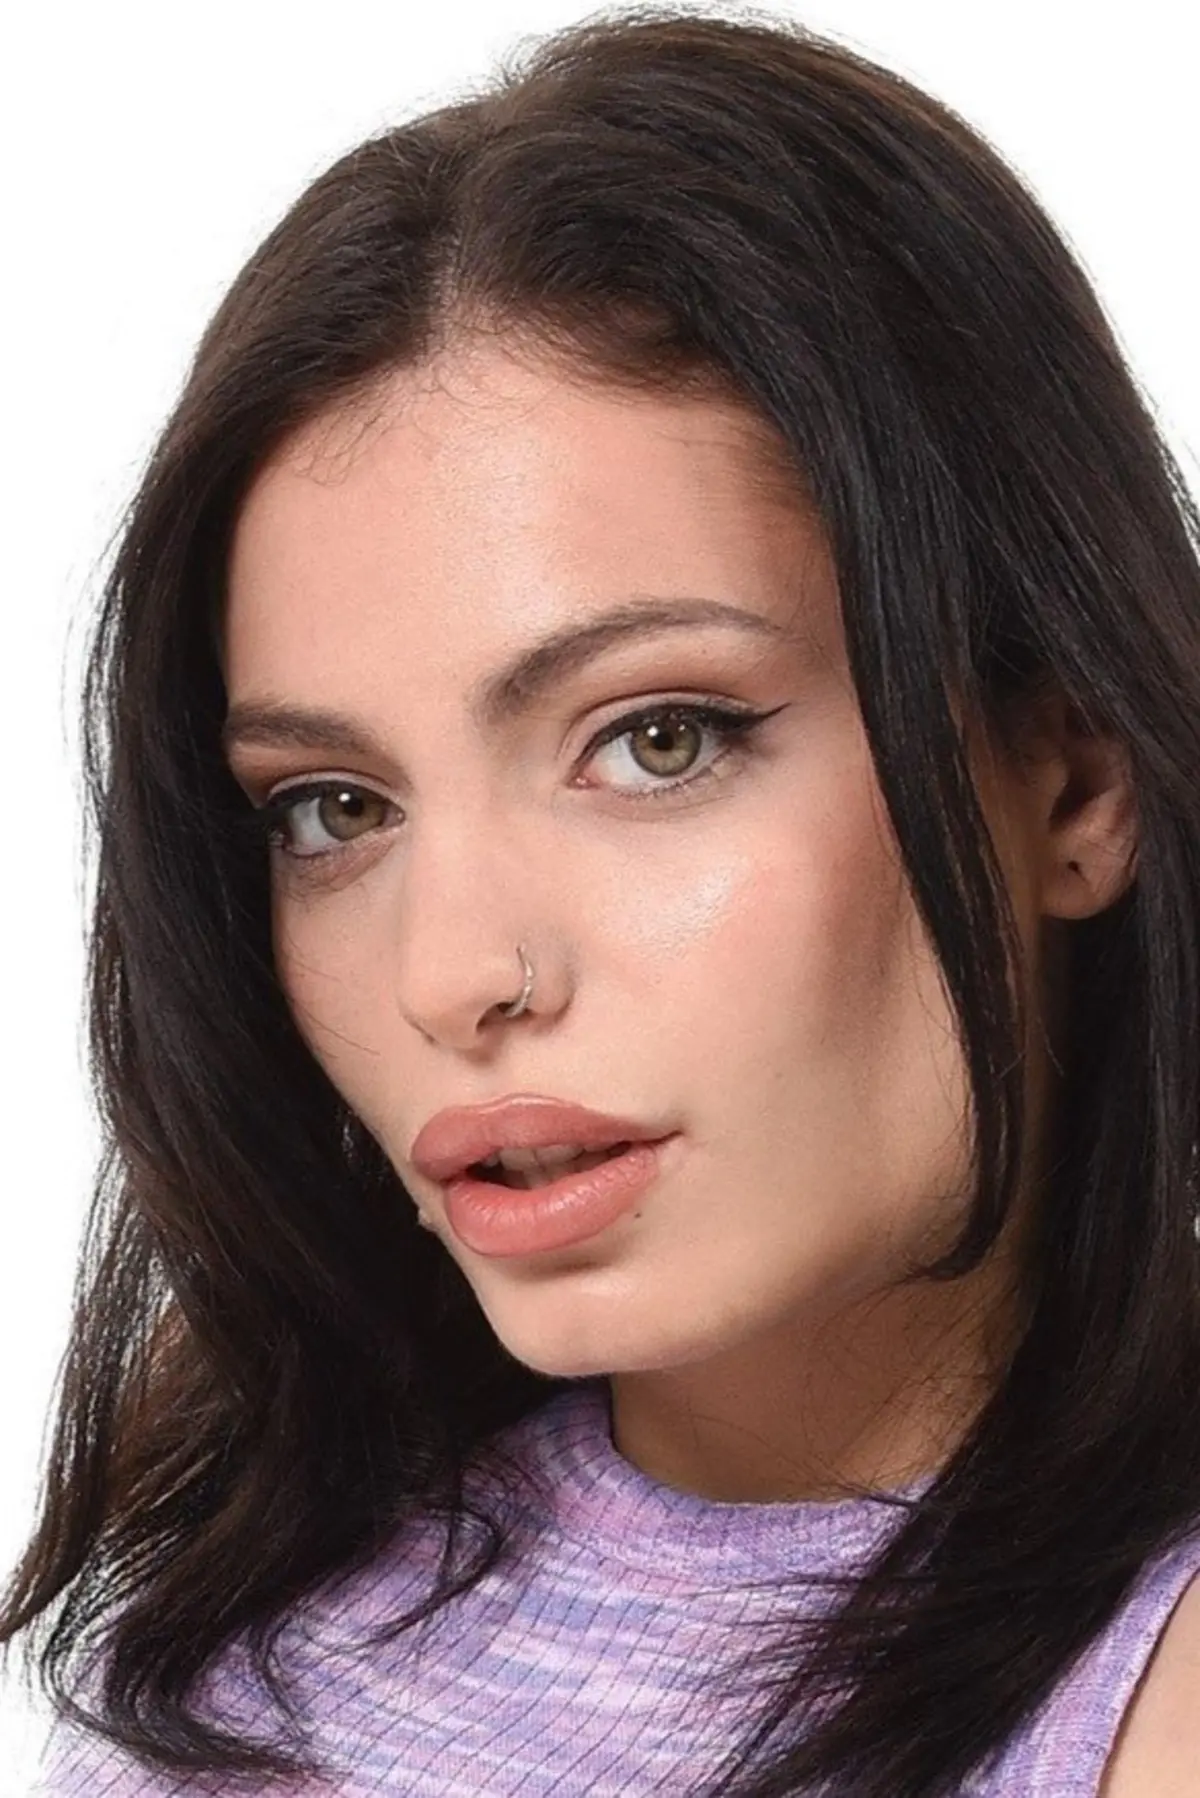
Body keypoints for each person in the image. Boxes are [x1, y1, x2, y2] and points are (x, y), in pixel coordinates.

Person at [5, 7, 1200, 1795]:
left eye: (657, 740)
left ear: (1074, 778)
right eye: (335, 808)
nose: (452, 973)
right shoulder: (243, 1623)